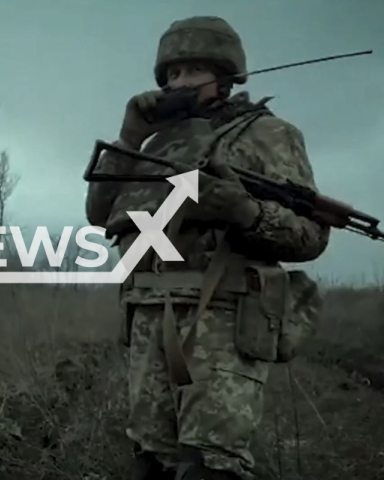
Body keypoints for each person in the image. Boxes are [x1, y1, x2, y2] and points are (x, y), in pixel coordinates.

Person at [85, 16, 330, 480]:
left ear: (225, 74)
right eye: (172, 74)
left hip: (220, 318)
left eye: (193, 70)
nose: (180, 82)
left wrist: (243, 210)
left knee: (210, 467)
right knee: (151, 462)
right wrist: (130, 136)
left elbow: (310, 236)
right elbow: (100, 211)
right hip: (148, 318)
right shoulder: (152, 144)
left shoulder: (266, 135)